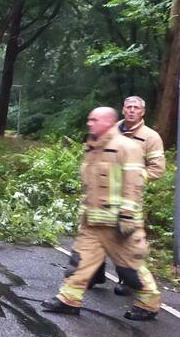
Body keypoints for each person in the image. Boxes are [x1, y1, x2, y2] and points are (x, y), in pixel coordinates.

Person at [42, 107, 161, 321]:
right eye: (89, 119)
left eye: (94, 120)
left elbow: (133, 185)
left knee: (130, 269)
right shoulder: (92, 147)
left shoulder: (126, 147)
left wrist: (127, 216)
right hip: (93, 221)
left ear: (108, 122)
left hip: (118, 224)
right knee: (80, 262)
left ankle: (148, 303)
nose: (89, 123)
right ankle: (69, 300)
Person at [92, 96, 167, 295]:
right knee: (95, 230)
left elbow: (158, 169)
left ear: (142, 112)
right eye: (129, 107)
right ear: (123, 110)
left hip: (129, 196)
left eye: (136, 108)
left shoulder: (150, 137)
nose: (132, 110)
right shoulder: (111, 130)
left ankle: (128, 280)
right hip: (105, 192)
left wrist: (134, 176)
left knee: (124, 237)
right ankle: (94, 273)